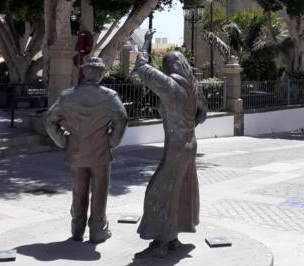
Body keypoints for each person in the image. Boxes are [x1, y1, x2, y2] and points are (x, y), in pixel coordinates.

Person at [133, 30, 208, 258]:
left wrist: (146, 42)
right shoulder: (193, 87)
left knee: (159, 192)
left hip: (176, 147)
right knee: (180, 190)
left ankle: (161, 241)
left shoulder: (170, 85)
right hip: (189, 143)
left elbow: (141, 68)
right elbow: (203, 114)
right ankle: (173, 236)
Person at [43, 57, 128, 243]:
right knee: (99, 192)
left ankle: (77, 229)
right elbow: (121, 119)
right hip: (100, 152)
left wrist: (63, 141)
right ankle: (98, 231)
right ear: (100, 74)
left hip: (76, 152)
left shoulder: (67, 96)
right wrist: (112, 142)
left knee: (78, 190)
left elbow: (50, 121)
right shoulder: (109, 96)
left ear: (85, 72)